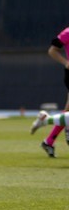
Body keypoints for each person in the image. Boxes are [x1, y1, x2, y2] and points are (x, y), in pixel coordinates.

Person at [33, 25, 69, 156]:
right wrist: (66, 63)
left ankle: (48, 139)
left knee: (67, 111)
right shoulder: (67, 32)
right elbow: (52, 50)